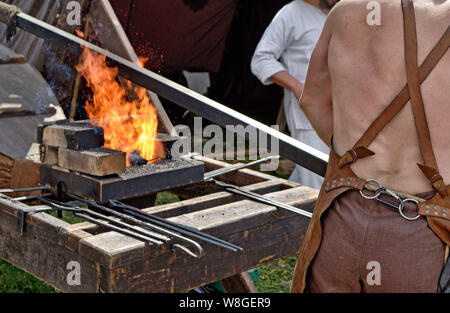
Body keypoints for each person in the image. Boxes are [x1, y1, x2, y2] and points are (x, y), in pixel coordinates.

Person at [291, 0, 449, 292]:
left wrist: (354, 160)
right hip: (422, 236)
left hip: (341, 217)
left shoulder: (347, 11)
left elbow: (312, 100)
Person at [251, 0, 337, 189]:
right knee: (316, 180)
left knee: (331, 175)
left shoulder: (338, 13)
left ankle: (284, 209)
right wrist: (299, 88)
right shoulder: (291, 12)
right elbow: (261, 59)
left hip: (342, 112)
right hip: (308, 117)